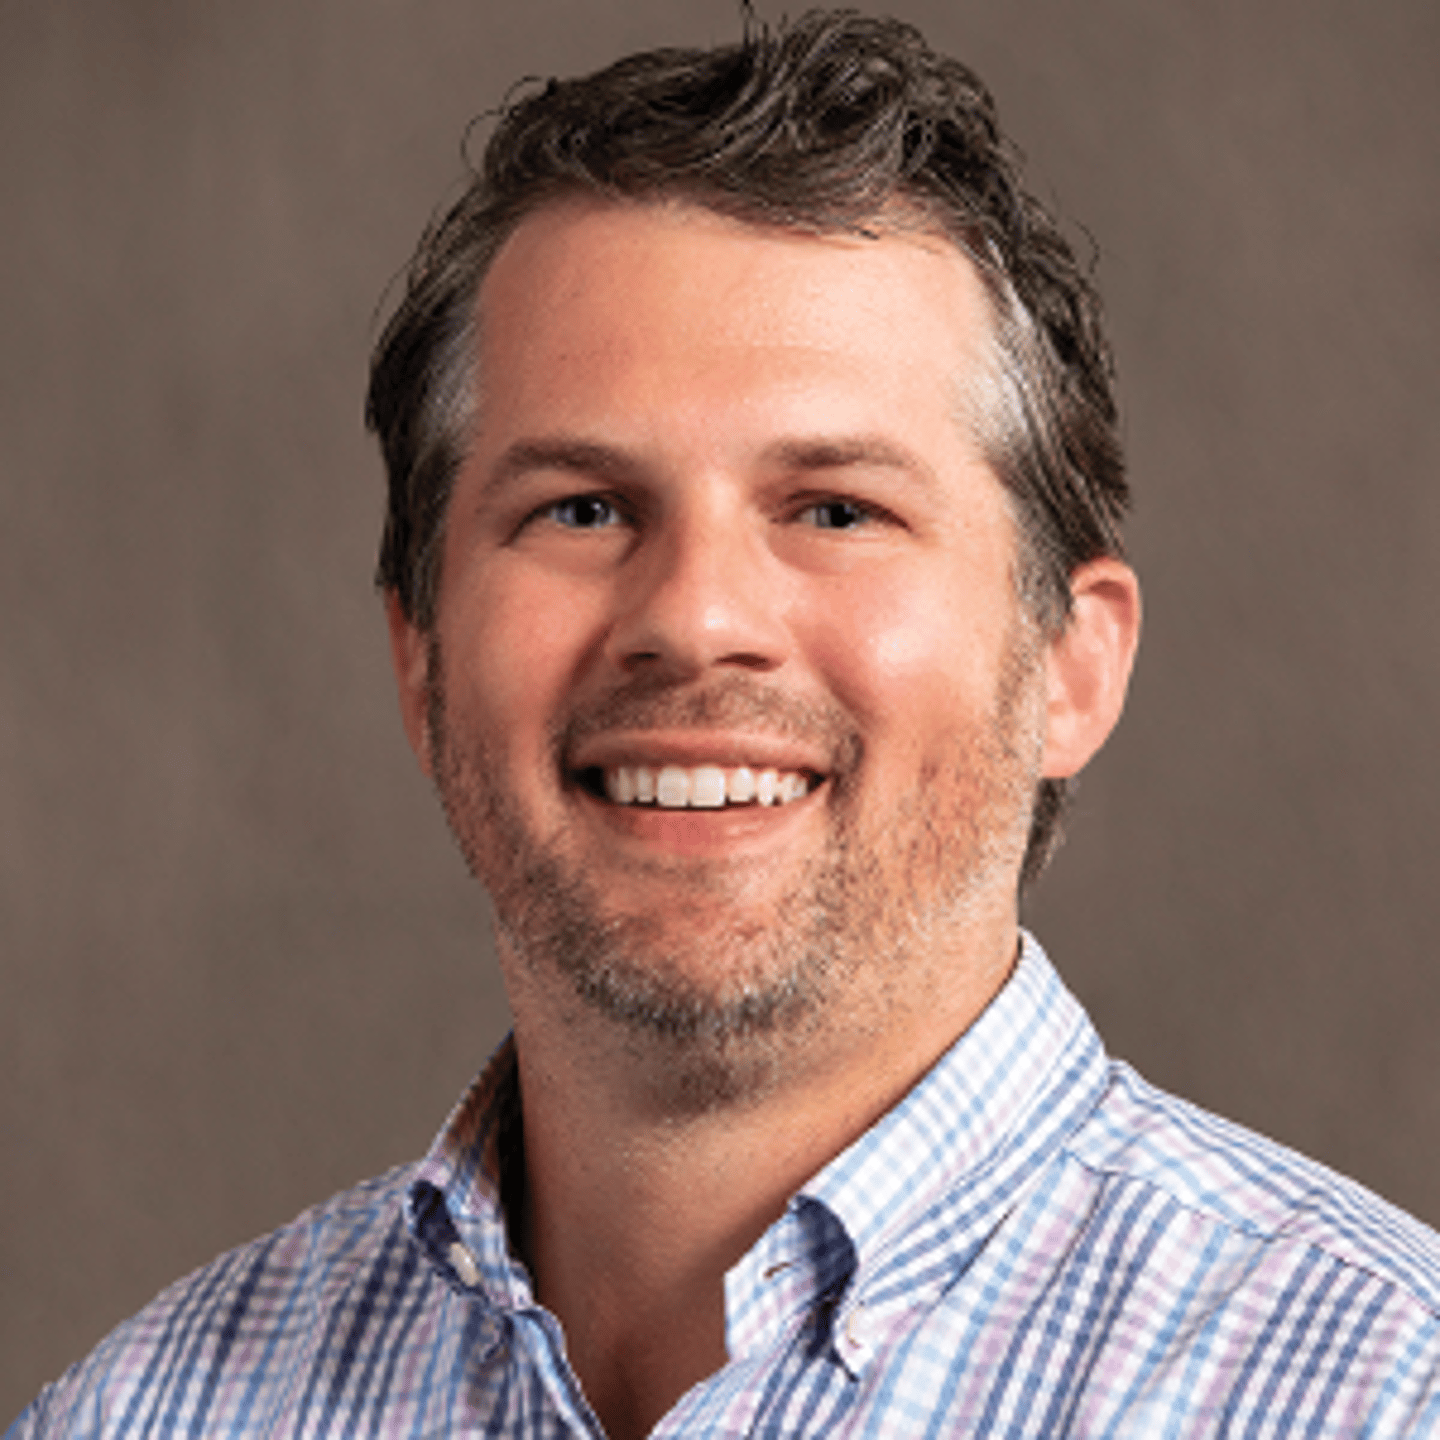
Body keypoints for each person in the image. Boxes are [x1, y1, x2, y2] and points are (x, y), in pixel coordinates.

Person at [11, 10, 1440, 1437]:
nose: (692, 618)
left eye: (833, 509)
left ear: (1070, 666)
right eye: (579, 508)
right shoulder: (140, 1415)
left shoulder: (1384, 1390)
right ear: (420, 658)